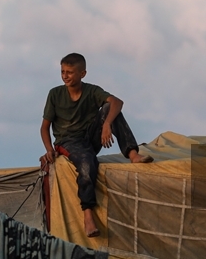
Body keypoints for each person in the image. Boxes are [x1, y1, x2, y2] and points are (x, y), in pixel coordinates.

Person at [41, 53, 152, 237]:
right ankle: (88, 214)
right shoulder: (55, 94)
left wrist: (107, 123)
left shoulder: (91, 91)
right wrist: (49, 150)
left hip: (90, 138)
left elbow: (117, 102)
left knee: (110, 108)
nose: (65, 76)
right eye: (62, 72)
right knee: (87, 162)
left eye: (70, 72)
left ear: (82, 74)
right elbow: (44, 128)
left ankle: (132, 154)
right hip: (68, 141)